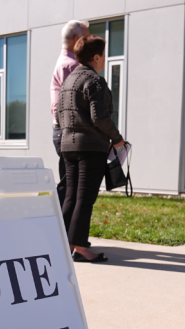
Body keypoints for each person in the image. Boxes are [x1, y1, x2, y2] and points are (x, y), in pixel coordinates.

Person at [56, 34, 125, 263]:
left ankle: (65, 244)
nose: (105, 59)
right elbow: (100, 118)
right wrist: (117, 140)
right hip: (90, 147)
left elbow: (58, 113)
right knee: (85, 198)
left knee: (71, 197)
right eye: (104, 55)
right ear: (96, 57)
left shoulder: (68, 81)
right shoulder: (95, 81)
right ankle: (82, 249)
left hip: (68, 146)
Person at [51, 20, 89, 197]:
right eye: (86, 38)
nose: (89, 42)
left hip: (64, 131)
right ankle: (60, 224)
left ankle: (62, 224)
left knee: (70, 188)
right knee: (70, 190)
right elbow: (74, 106)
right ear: (77, 40)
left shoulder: (66, 63)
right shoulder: (71, 66)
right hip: (68, 132)